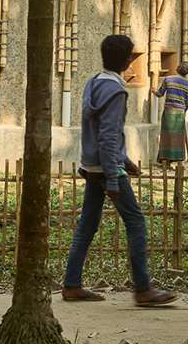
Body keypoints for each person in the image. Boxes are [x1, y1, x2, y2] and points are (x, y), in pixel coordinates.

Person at [62, 34, 176, 306]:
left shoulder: (93, 82)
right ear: (127, 61)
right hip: (106, 168)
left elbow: (100, 132)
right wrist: (114, 176)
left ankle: (72, 284)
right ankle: (143, 289)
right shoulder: (116, 91)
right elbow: (109, 136)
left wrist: (125, 160)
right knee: (136, 222)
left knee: (87, 224)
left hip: (92, 164)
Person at [154, 61, 188, 166]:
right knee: (178, 137)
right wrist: (183, 110)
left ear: (178, 68)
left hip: (168, 111)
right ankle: (178, 160)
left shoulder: (168, 79)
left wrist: (153, 91)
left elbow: (160, 94)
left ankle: (165, 161)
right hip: (180, 113)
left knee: (166, 136)